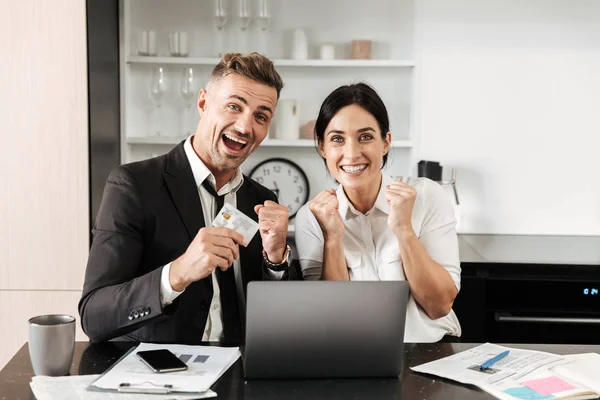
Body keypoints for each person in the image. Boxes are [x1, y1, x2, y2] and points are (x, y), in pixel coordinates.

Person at [79, 53, 292, 345]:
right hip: (163, 375)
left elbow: (282, 319)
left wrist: (276, 260)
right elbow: (94, 315)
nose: (245, 127)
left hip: (243, 374)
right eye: (233, 106)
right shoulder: (133, 185)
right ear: (203, 103)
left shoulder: (262, 201)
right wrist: (177, 274)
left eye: (261, 116)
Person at [294, 83, 461, 343]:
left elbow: (439, 305)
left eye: (365, 137)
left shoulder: (427, 196)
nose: (351, 154)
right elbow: (332, 319)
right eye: (337, 139)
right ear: (322, 147)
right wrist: (333, 238)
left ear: (386, 142)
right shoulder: (312, 217)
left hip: (431, 351)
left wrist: (404, 230)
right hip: (353, 357)